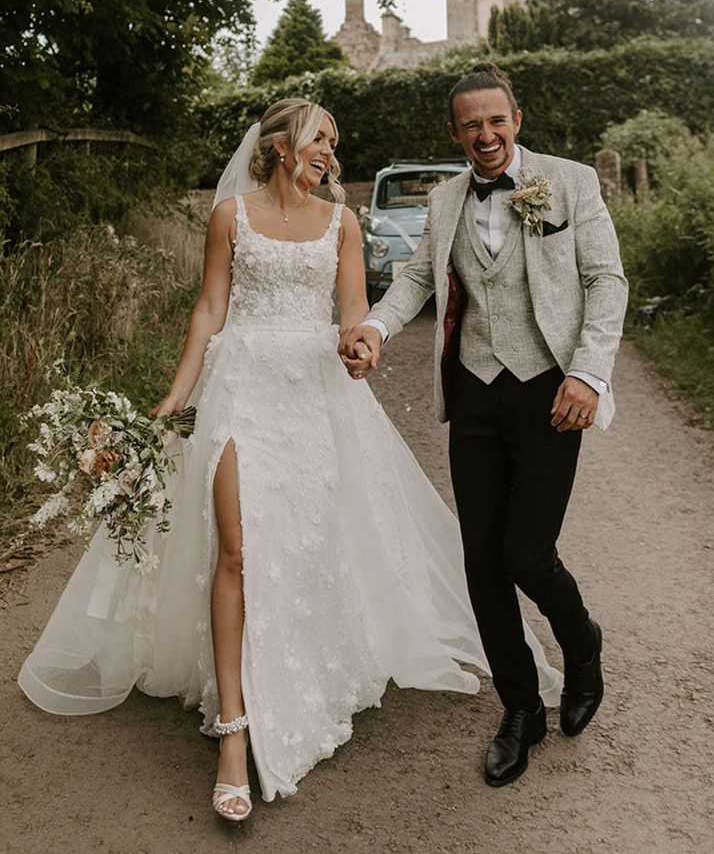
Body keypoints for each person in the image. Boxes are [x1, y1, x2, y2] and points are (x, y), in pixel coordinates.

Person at [18, 97, 562, 822]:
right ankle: (236, 737)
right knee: (236, 550)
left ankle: (304, 675)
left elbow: (351, 311)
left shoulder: (341, 222)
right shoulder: (229, 217)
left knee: (308, 545)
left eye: (335, 143)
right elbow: (210, 309)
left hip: (314, 397)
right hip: (240, 389)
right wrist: (173, 400)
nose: (330, 153)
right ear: (280, 147)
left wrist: (359, 347)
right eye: (320, 139)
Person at [340, 63, 628, 787]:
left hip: (550, 392)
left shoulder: (569, 182)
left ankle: (581, 644)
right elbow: (413, 278)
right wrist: (375, 325)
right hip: (472, 394)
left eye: (495, 120)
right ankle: (521, 709)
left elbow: (606, 280)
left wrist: (588, 374)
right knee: (481, 565)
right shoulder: (443, 201)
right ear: (454, 132)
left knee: (528, 554)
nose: (485, 135)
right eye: (471, 124)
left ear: (517, 121)